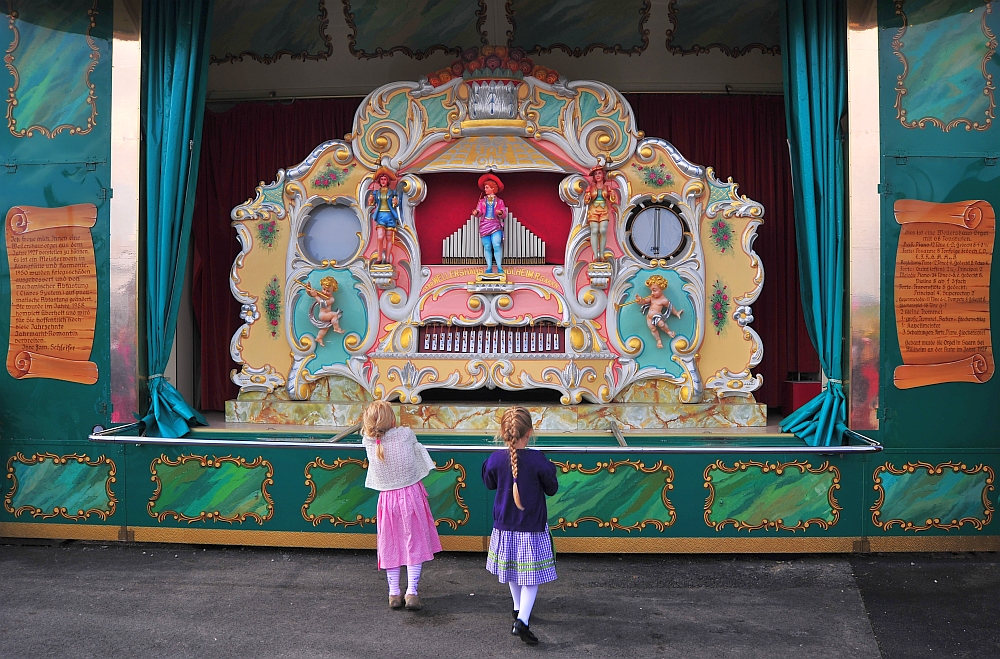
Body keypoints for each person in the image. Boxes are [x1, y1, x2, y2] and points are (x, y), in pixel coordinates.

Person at [482, 407, 559, 645]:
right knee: (531, 579)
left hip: (504, 528)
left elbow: (488, 482)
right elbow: (552, 488)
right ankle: (522, 621)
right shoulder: (538, 460)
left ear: (503, 433)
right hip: (532, 529)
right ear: (530, 432)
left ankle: (517, 608)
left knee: (513, 571)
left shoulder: (495, 459)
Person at [361, 400, 442, 610]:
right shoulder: (405, 435)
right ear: (393, 419)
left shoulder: (369, 442)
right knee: (414, 542)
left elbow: (374, 435)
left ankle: (393, 593)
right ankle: (412, 592)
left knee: (391, 544)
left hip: (387, 500)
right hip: (411, 495)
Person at [635, 274, 683, 349]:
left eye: (654, 290)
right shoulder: (652, 297)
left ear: (661, 288)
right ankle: (658, 340)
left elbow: (670, 307)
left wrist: (676, 313)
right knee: (653, 329)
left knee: (661, 324)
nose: (652, 293)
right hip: (649, 317)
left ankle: (668, 332)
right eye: (651, 290)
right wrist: (640, 300)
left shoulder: (664, 300)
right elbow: (645, 301)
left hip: (657, 317)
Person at [582, 166, 619, 262]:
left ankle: (601, 253)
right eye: (596, 174)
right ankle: (595, 254)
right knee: (594, 231)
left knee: (602, 231)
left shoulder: (607, 187)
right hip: (594, 210)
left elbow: (612, 200)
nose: (598, 175)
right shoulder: (591, 188)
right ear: (594, 177)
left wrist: (612, 194)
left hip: (603, 210)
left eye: (599, 173)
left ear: (603, 175)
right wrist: (588, 195)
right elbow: (586, 201)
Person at [472, 173, 507, 274]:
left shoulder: (500, 201)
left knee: (496, 244)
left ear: (493, 188)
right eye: (485, 187)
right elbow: (479, 212)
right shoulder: (482, 201)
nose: (485, 189)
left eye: (487, 187)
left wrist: (500, 213)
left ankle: (499, 267)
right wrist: (476, 213)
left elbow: (504, 214)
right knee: (487, 246)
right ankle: (489, 267)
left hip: (495, 225)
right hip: (484, 225)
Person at [367, 168, 401, 264]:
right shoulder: (376, 192)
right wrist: (370, 200)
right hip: (381, 216)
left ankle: (387, 259)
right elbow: (372, 204)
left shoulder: (392, 192)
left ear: (388, 181)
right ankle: (379, 258)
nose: (383, 181)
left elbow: (396, 203)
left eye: (385, 179)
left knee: (389, 238)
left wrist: (396, 202)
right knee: (380, 237)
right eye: (381, 179)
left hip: (390, 216)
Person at [303, 276, 344, 346]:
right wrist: (308, 290)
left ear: (333, 290)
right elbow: (312, 295)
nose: (325, 291)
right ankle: (336, 328)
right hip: (323, 315)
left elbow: (323, 303)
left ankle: (319, 338)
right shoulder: (320, 294)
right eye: (324, 289)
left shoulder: (331, 299)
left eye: (328, 291)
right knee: (335, 314)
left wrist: (316, 296)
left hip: (326, 315)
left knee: (325, 328)